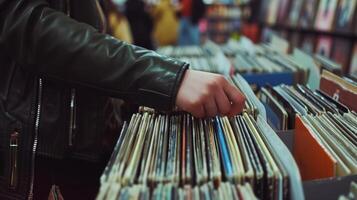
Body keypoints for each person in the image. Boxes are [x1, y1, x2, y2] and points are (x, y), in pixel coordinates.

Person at [0, 0, 245, 199]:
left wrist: (135, 101)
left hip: (87, 147)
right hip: (43, 157)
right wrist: (167, 79)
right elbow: (29, 25)